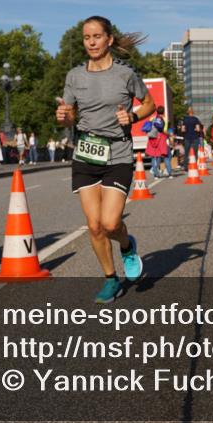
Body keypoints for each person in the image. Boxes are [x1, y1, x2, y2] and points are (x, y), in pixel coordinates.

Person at [56, 16, 155, 303]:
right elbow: (69, 116)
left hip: (118, 153)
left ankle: (126, 246)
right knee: (94, 225)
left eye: (97, 36)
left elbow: (149, 104)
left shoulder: (125, 74)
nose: (91, 42)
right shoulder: (74, 76)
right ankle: (111, 279)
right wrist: (63, 117)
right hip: (86, 153)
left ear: (109, 39)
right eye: (87, 37)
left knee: (111, 224)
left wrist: (133, 116)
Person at [146, 106, 172, 178]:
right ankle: (169, 174)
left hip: (153, 138)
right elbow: (164, 130)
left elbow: (149, 128)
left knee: (154, 156)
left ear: (157, 111)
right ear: (163, 111)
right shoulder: (165, 119)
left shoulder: (152, 118)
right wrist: (170, 134)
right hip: (162, 138)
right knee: (166, 156)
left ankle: (156, 175)